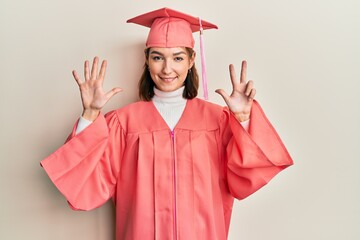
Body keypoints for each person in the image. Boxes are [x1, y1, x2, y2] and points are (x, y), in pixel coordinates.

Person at [40, 7, 293, 240]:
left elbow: (247, 174)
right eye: (158, 57)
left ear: (192, 60)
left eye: (178, 58)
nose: (167, 68)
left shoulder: (218, 120)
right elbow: (86, 180)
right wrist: (90, 114)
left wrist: (243, 119)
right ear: (147, 59)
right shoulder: (123, 123)